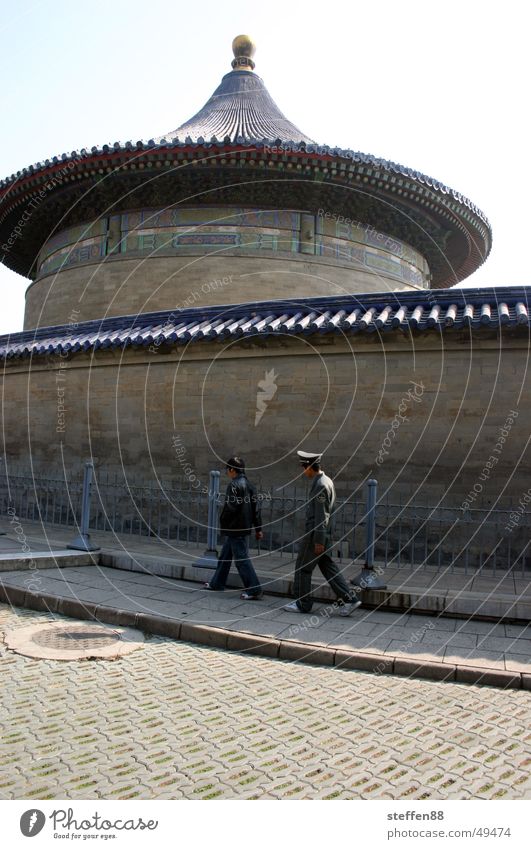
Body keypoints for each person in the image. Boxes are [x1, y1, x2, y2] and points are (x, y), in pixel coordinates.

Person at [283, 450, 361, 616]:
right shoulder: (326, 481)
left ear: (310, 467)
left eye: (304, 468)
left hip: (315, 536)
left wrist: (319, 540)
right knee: (328, 568)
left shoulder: (320, 485)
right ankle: (350, 600)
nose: (304, 472)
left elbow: (321, 515)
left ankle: (303, 603)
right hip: (322, 535)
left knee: (303, 568)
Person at [204, 456, 264, 599]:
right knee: (225, 556)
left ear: (232, 470)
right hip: (242, 528)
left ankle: (254, 589)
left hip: (235, 528)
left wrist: (223, 522)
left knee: (241, 559)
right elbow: (256, 509)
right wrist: (258, 528)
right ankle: (217, 583)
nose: (227, 473)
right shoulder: (250, 485)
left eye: (227, 470)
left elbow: (230, 508)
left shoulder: (234, 485)